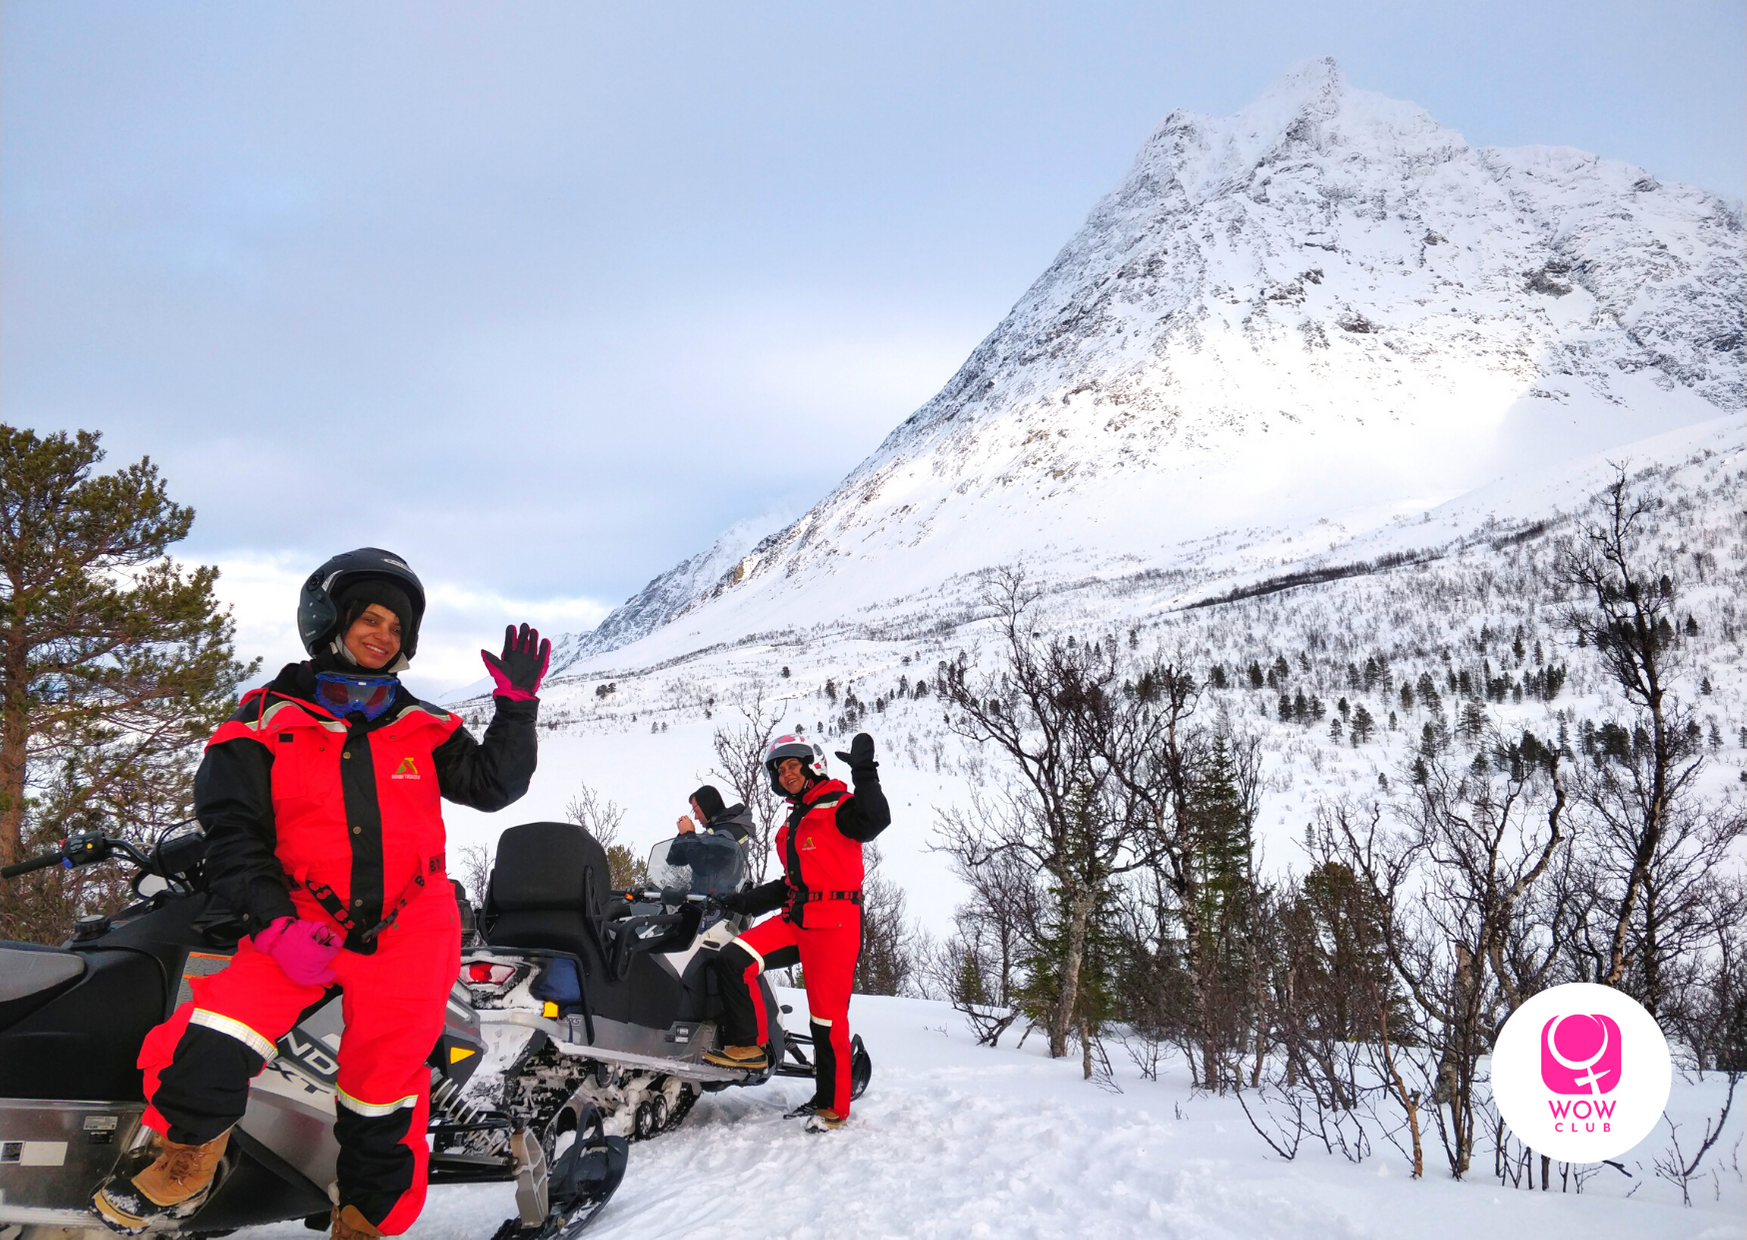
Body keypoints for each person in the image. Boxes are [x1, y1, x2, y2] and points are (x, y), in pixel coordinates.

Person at [94, 548, 549, 1240]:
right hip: (302, 923)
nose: (384, 637)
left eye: (397, 628)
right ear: (327, 622)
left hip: (412, 929)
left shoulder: (423, 726)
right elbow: (234, 838)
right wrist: (273, 923)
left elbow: (492, 787)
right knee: (213, 1034)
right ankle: (189, 1160)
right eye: (369, 618)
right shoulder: (259, 725)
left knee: (386, 1093)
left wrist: (516, 711)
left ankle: (364, 1221)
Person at [704, 733, 888, 1131]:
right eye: (780, 769)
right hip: (796, 917)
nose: (786, 774)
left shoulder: (839, 805)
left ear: (811, 765)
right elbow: (792, 882)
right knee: (734, 958)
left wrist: (864, 772)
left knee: (826, 1021)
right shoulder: (796, 819)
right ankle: (750, 1047)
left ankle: (832, 1107)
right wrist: (742, 901)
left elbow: (875, 821)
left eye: (792, 766)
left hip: (835, 922)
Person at [674, 784, 753, 844]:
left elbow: (707, 861)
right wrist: (683, 834)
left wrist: (689, 835)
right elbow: (674, 861)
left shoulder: (728, 830)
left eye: (696, 811)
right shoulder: (715, 831)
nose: (695, 817)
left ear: (706, 807)